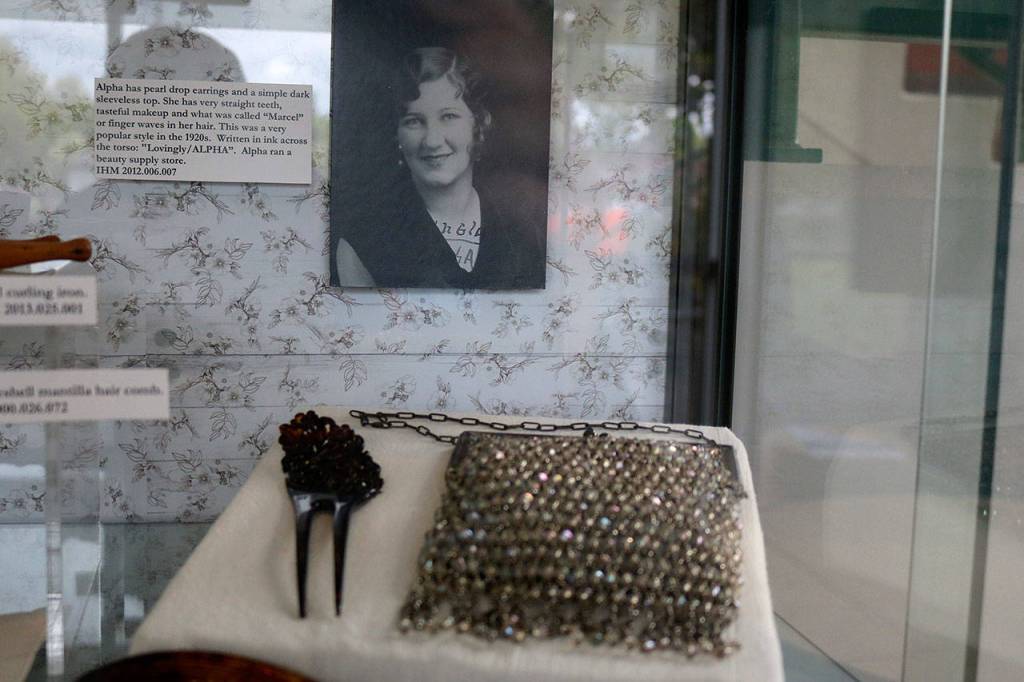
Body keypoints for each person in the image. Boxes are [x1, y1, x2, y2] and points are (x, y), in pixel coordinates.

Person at [335, 47, 542, 289]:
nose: (432, 140)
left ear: (477, 125)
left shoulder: (522, 230)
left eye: (449, 116)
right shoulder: (363, 244)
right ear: (397, 135)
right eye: (413, 121)